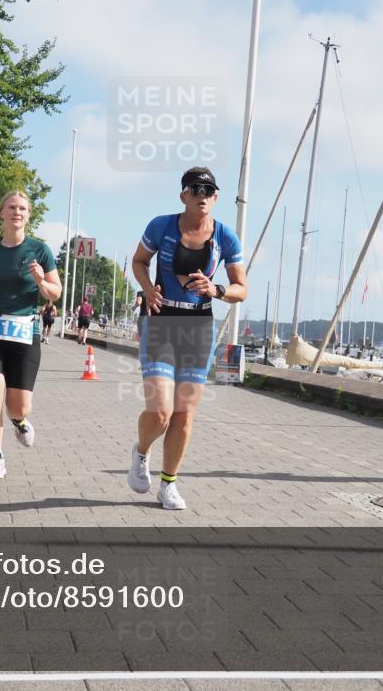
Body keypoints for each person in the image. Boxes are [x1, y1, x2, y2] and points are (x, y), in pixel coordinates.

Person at [128, 167, 247, 510]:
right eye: (195, 189)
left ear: (216, 197)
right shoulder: (161, 226)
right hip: (161, 320)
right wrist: (148, 289)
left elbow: (241, 288)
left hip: (198, 326)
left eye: (209, 190)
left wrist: (217, 289)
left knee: (184, 414)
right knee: (161, 412)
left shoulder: (225, 237)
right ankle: (141, 452)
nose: (202, 195)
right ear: (183, 195)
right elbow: (139, 261)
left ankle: (168, 484)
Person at [0, 191, 62, 480]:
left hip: (24, 332)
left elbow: (55, 293)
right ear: (2, 213)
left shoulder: (40, 250)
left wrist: (41, 280)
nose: (17, 212)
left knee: (19, 405)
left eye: (22, 208)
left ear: (28, 215)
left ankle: (18, 420)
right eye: (11, 207)